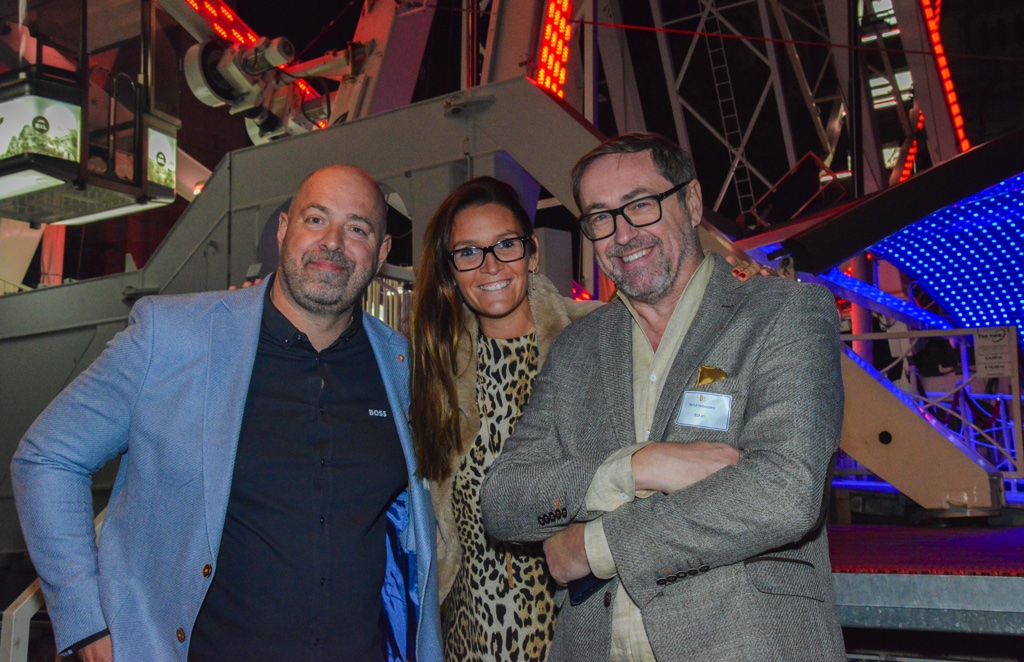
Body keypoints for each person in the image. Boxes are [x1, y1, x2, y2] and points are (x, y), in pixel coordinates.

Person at [11, 165, 442, 662]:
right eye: (316, 219)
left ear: (382, 253)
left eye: (358, 228)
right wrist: (86, 620)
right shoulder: (172, 336)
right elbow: (48, 457)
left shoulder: (400, 365)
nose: (333, 242)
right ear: (284, 230)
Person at [480, 133, 845, 661]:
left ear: (691, 202)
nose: (622, 233)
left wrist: (592, 546)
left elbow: (784, 492)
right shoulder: (577, 348)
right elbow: (505, 499)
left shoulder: (783, 313)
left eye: (640, 205)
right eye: (600, 217)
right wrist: (632, 468)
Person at [408, 176, 757, 661]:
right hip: (474, 634)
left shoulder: (599, 339)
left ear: (531, 253)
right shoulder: (434, 373)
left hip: (582, 627)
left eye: (505, 245)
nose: (490, 265)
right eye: (468, 252)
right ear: (451, 269)